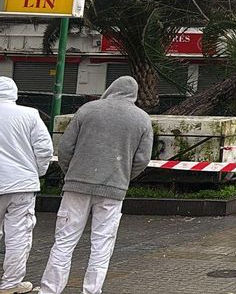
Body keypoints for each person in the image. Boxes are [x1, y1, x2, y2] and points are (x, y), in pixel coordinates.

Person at [41, 76, 153, 294]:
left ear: (111, 89)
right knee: (102, 245)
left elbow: (65, 149)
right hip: (113, 190)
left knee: (64, 241)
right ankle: (91, 291)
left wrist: (72, 173)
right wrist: (122, 177)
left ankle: (49, 290)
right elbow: (142, 159)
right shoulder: (142, 119)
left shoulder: (87, 110)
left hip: (76, 187)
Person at [0, 77, 53, 294]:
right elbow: (44, 150)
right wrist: (37, 173)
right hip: (21, 184)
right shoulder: (29, 115)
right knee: (18, 235)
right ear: (14, 94)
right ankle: (10, 284)